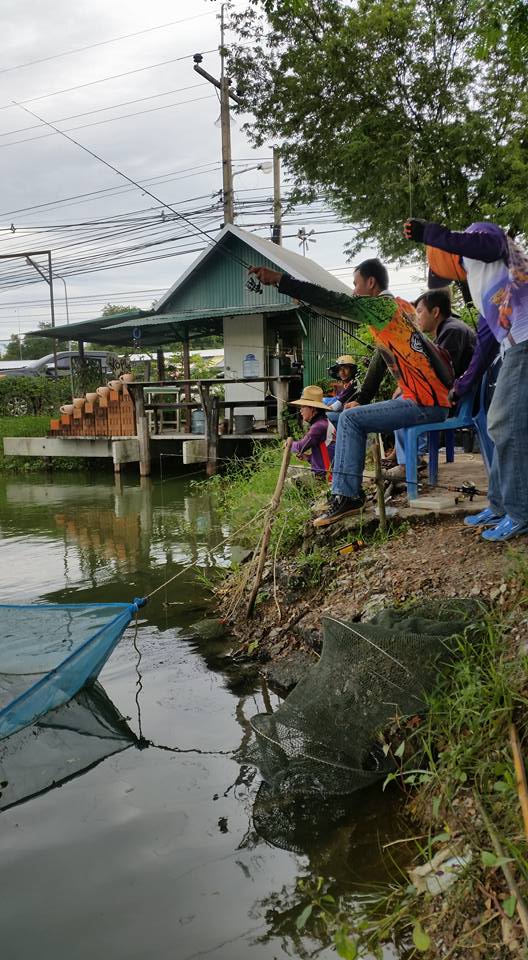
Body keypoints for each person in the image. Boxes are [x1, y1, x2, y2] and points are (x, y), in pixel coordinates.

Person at [247, 264, 454, 526]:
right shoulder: (401, 308)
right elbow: (381, 357)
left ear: (371, 283)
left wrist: (280, 280)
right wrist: (364, 397)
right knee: (349, 415)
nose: (354, 291)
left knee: (351, 419)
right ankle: (342, 493)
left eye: (356, 284)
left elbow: (336, 301)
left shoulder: (383, 306)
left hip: (426, 402)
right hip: (427, 399)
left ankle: (348, 496)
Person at [404, 217, 528, 541]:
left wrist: (431, 234)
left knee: (505, 425)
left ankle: (519, 512)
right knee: (497, 426)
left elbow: (493, 243)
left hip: (525, 344)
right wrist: (462, 385)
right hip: (511, 347)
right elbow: (486, 337)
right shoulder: (479, 276)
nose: (449, 277)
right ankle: (501, 506)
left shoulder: (480, 237)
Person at [385, 287, 477, 480]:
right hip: (459, 396)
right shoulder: (449, 330)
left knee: (405, 402)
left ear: (435, 312)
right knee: (406, 397)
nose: (416, 316)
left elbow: (437, 375)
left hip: (461, 401)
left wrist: (404, 387)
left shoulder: (452, 331)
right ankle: (407, 458)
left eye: (419, 311)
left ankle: (409, 462)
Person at [289, 385, 335, 479]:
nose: (300, 411)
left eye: (303, 407)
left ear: (313, 409)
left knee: (289, 477)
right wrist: (308, 458)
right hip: (328, 472)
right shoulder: (324, 422)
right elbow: (325, 453)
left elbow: (299, 447)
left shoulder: (318, 427)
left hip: (325, 476)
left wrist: (288, 444)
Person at [324, 354, 358, 425]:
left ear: (352, 370)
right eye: (340, 369)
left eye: (345, 368)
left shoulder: (354, 384)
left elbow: (336, 406)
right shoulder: (348, 384)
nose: (342, 372)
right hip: (346, 413)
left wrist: (321, 410)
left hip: (351, 416)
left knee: (324, 416)